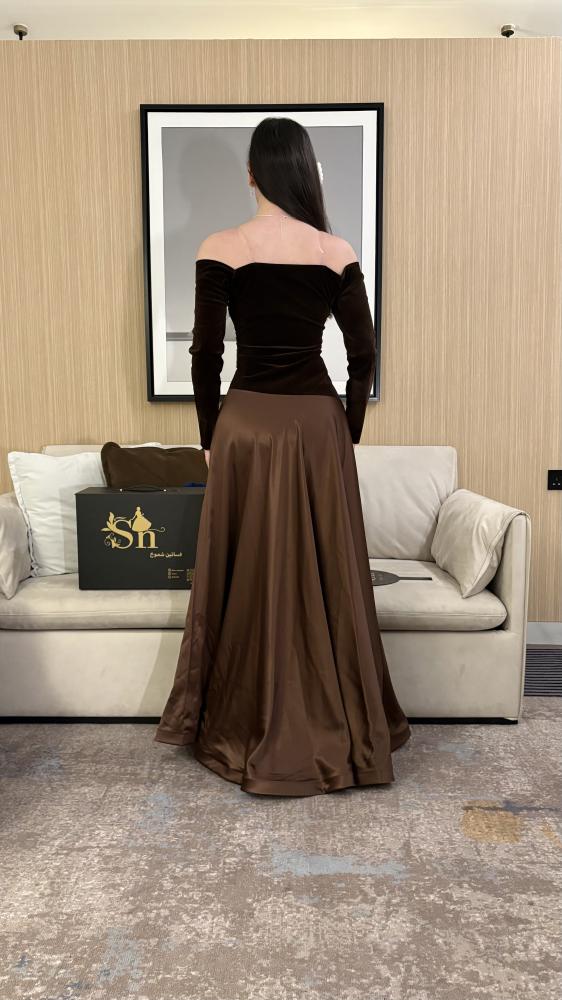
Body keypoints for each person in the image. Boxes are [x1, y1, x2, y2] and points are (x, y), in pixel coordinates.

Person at [154, 116, 411, 796]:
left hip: (246, 423)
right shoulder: (334, 250)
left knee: (243, 568)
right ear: (304, 172)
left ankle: (242, 718)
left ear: (252, 174)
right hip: (317, 423)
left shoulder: (222, 245)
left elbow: (205, 353)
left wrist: (210, 435)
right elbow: (363, 354)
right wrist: (346, 430)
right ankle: (342, 722)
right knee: (330, 573)